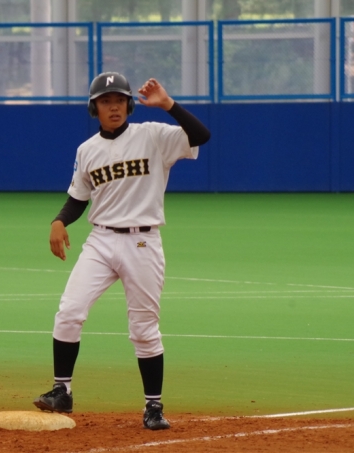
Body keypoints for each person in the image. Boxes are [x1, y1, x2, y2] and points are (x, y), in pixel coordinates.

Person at [32, 72, 211, 430]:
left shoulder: (153, 135)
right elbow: (78, 197)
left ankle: (153, 407)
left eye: (119, 100)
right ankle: (62, 391)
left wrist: (168, 104)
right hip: (100, 241)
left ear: (129, 105)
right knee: (69, 312)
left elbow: (201, 136)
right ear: (94, 108)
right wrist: (59, 221)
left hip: (142, 242)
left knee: (143, 329)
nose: (113, 107)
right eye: (105, 101)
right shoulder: (87, 150)